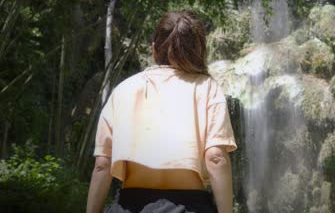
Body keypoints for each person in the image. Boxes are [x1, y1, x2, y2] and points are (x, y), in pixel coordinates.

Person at [86, 11, 237, 213]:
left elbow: (102, 165)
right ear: (199, 51)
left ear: (154, 49)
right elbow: (216, 158)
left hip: (129, 206)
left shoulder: (124, 89)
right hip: (189, 206)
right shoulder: (207, 87)